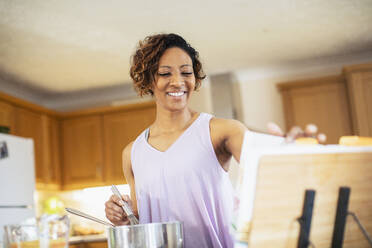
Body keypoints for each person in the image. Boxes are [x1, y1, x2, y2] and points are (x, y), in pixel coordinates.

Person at [104, 33, 325, 247]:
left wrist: (293, 151)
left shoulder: (221, 131)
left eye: (186, 72)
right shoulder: (132, 153)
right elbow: (140, 221)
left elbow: (271, 171)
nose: (178, 81)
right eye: (165, 73)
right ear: (148, 80)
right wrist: (123, 217)